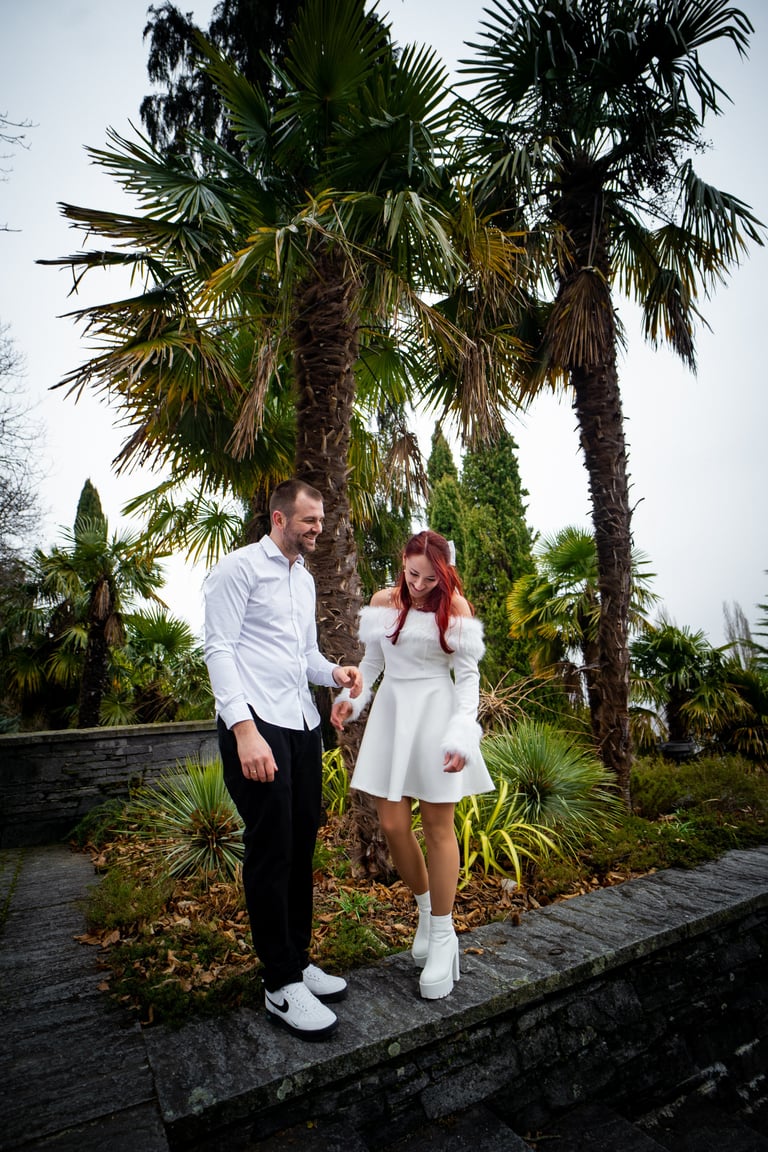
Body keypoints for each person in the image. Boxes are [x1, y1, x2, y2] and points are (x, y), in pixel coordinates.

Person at [204, 479, 362, 1040]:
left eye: (320, 519)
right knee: (271, 850)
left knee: (300, 845)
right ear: (279, 518)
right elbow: (219, 649)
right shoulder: (237, 570)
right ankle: (279, 984)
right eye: (309, 520)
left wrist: (334, 672)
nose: (319, 528)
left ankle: (297, 959)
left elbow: (303, 655)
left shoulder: (304, 578)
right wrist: (244, 731)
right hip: (257, 726)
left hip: (302, 727)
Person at [331, 529, 494, 1000]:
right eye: (412, 574)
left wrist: (463, 733)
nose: (419, 585)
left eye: (429, 578)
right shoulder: (383, 601)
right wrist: (351, 700)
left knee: (439, 828)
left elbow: (467, 678)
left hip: (437, 715)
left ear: (444, 573)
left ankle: (443, 934)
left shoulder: (455, 607)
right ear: (402, 563)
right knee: (393, 825)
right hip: (393, 714)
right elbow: (372, 664)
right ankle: (426, 912)